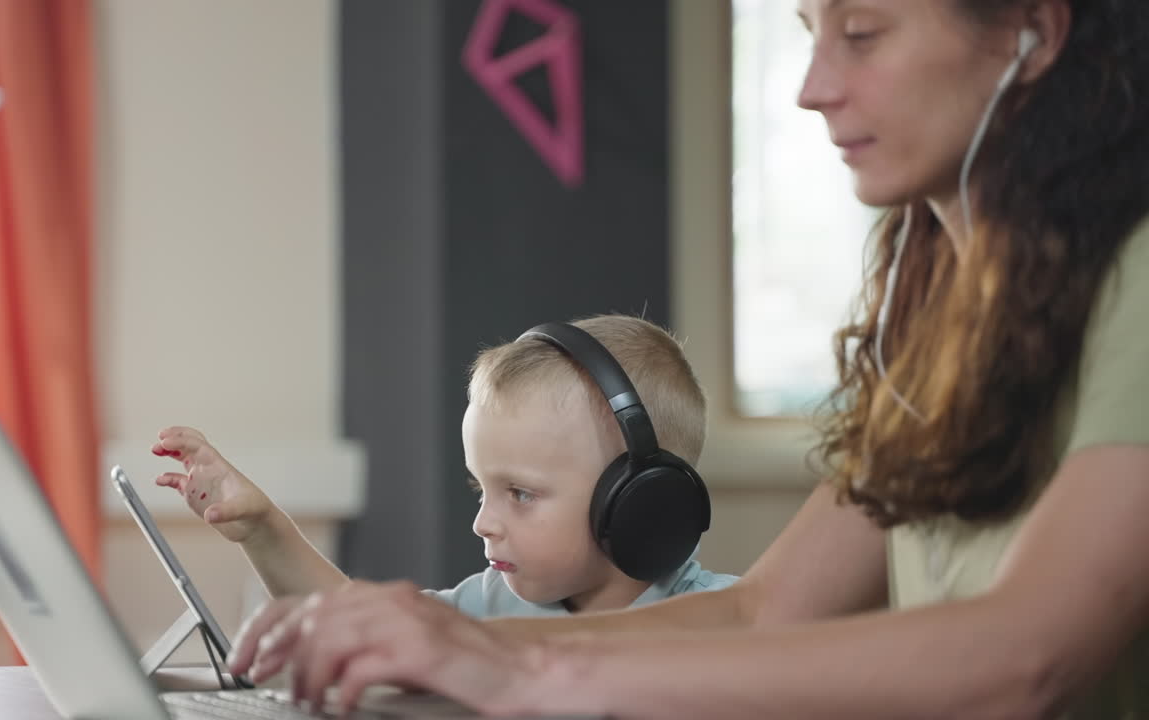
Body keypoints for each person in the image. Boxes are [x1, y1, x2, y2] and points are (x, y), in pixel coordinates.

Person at [222, 1, 1149, 716]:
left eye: (862, 33)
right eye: (809, 31)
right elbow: (769, 610)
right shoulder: (931, 319)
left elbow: (1027, 661)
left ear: (1032, 32)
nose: (812, 85)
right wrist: (449, 651)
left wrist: (520, 666)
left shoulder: (1136, 284)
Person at [151, 314, 736, 633]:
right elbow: (355, 622)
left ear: (637, 504)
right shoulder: (491, 606)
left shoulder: (734, 626)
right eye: (482, 489)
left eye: (521, 494)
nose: (483, 523)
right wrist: (263, 529)